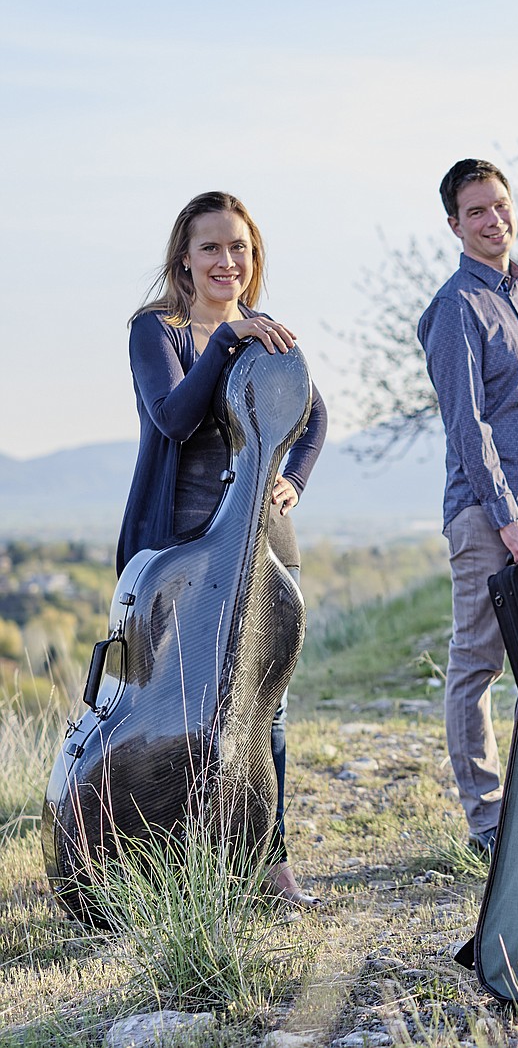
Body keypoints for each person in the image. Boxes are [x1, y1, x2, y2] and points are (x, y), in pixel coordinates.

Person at [118, 190, 328, 904]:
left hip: (265, 547)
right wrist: (228, 340)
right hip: (182, 552)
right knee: (179, 713)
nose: (226, 260)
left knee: (266, 710)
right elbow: (175, 419)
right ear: (183, 255)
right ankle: (178, 867)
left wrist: (293, 478)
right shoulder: (159, 330)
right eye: (210, 246)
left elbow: (315, 411)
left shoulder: (264, 335)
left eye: (239, 247)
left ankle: (273, 870)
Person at [417, 160, 518, 859]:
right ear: (455, 224)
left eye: (500, 205)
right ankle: (486, 819)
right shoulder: (455, 309)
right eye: (476, 211)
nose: (492, 219)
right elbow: (466, 427)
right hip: (486, 514)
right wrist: (506, 516)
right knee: (477, 665)